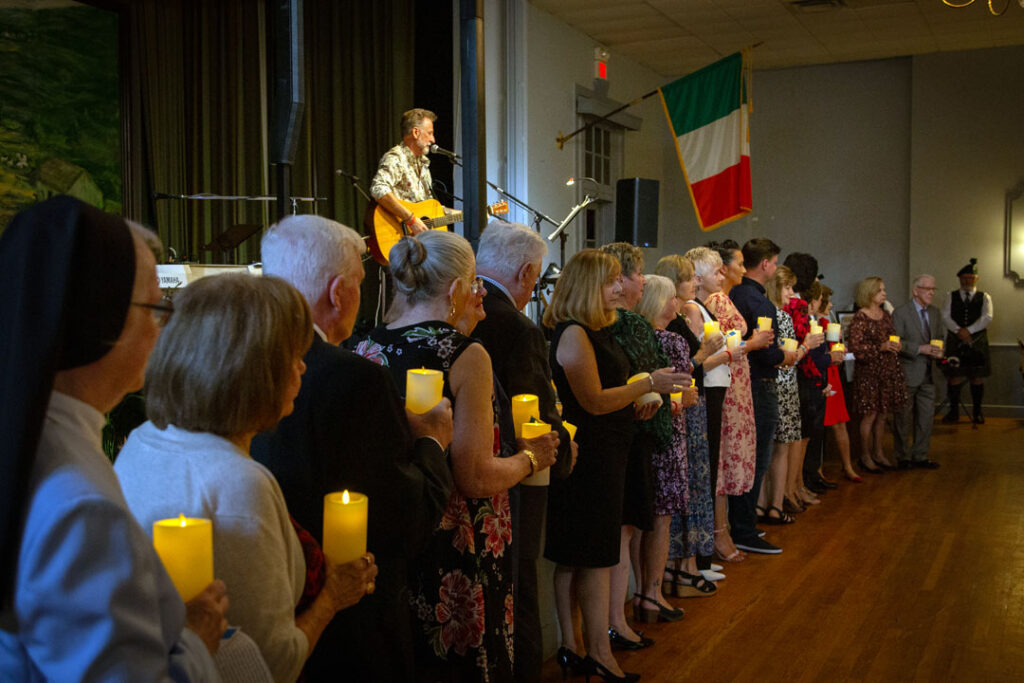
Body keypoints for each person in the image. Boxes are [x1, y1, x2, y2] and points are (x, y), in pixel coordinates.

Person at [0, 196, 224, 680]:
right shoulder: (79, 509)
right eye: (155, 308)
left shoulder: (37, 434)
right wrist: (195, 641)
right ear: (99, 321)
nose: (161, 330)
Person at [115, 273, 378, 683]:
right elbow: (273, 665)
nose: (303, 367)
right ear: (252, 372)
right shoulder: (239, 482)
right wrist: (333, 597)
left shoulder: (145, 440)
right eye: (292, 355)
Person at [249, 214, 455, 681]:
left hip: (269, 600)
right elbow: (402, 519)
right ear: (339, 292)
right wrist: (430, 439)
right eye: (361, 283)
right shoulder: (354, 377)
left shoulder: (244, 358)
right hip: (349, 620)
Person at [356, 230, 557, 682]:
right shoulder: (465, 355)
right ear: (455, 290)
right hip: (458, 540)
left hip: (395, 533)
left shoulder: (364, 348)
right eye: (473, 283)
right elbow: (475, 476)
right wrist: (532, 460)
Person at [543, 249, 687, 682]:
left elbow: (612, 395)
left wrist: (637, 402)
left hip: (610, 448)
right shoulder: (572, 333)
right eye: (610, 282)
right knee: (587, 555)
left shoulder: (600, 330)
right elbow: (592, 402)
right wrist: (647, 384)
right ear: (588, 286)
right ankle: (593, 653)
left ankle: (580, 649)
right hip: (588, 456)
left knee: (588, 554)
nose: (620, 287)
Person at [471, 220, 576, 683]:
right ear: (528, 272)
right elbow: (532, 410)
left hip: (466, 469)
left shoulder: (460, 311)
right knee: (520, 584)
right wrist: (566, 448)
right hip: (516, 474)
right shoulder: (516, 326)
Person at [600, 242, 681, 646]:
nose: (643, 280)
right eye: (638, 274)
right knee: (624, 531)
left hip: (632, 432)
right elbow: (646, 374)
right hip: (630, 434)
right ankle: (616, 621)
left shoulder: (616, 323)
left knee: (629, 529)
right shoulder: (628, 325)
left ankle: (620, 617)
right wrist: (652, 389)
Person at [635, 275, 705, 606]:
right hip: (669, 433)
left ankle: (639, 592)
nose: (676, 303)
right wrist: (685, 398)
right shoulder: (673, 342)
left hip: (642, 434)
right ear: (661, 302)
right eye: (672, 297)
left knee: (638, 523)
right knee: (661, 521)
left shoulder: (636, 337)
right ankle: (654, 591)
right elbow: (681, 393)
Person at [728, 238, 794, 555]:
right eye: (775, 261)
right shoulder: (759, 302)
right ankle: (744, 527)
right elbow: (767, 354)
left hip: (740, 382)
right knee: (756, 458)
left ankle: (742, 523)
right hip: (759, 384)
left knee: (746, 457)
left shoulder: (735, 294)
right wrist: (790, 355)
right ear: (766, 263)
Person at [848, 277, 909, 473]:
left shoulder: (885, 314)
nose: (884, 293)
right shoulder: (860, 316)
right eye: (880, 290)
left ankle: (879, 452)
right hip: (869, 372)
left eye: (884, 290)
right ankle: (865, 455)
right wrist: (880, 347)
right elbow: (856, 347)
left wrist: (895, 345)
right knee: (869, 415)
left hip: (887, 370)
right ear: (870, 293)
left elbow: (892, 336)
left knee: (883, 414)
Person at [892, 274, 944, 469]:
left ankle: (920, 455)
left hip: (930, 373)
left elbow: (939, 336)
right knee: (903, 418)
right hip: (908, 371)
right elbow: (895, 342)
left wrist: (940, 350)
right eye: (927, 289)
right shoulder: (901, 313)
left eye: (933, 289)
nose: (931, 292)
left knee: (926, 418)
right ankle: (903, 456)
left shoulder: (936, 313)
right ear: (916, 291)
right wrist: (919, 349)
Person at [370, 107, 444, 235]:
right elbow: (378, 189)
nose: (433, 140)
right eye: (430, 133)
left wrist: (469, 214)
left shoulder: (423, 163)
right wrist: (411, 220)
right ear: (416, 133)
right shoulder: (396, 158)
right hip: (399, 237)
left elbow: (429, 209)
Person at [941, 258, 993, 424]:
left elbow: (987, 317)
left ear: (976, 279)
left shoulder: (985, 297)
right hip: (955, 341)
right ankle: (954, 412)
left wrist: (969, 331)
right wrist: (958, 331)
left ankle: (977, 413)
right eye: (964, 278)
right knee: (953, 376)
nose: (967, 281)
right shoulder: (951, 295)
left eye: (971, 278)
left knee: (976, 376)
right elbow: (945, 316)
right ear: (960, 279)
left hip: (977, 340)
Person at [818, 285, 860, 482]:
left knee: (840, 422)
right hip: (821, 372)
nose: (832, 304)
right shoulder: (817, 324)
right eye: (828, 301)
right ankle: (817, 470)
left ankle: (847, 466)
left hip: (833, 373)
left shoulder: (827, 322)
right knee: (818, 426)